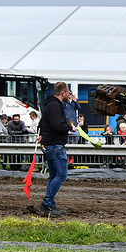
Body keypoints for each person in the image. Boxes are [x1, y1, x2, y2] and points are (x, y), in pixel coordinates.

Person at [37, 81, 75, 218]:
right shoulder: (55, 105)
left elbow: (42, 123)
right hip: (55, 145)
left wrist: (41, 135)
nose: (69, 95)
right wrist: (70, 128)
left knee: (53, 175)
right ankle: (46, 203)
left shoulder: (50, 104)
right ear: (63, 92)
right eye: (68, 92)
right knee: (61, 175)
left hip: (50, 144)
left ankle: (50, 205)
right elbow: (58, 126)